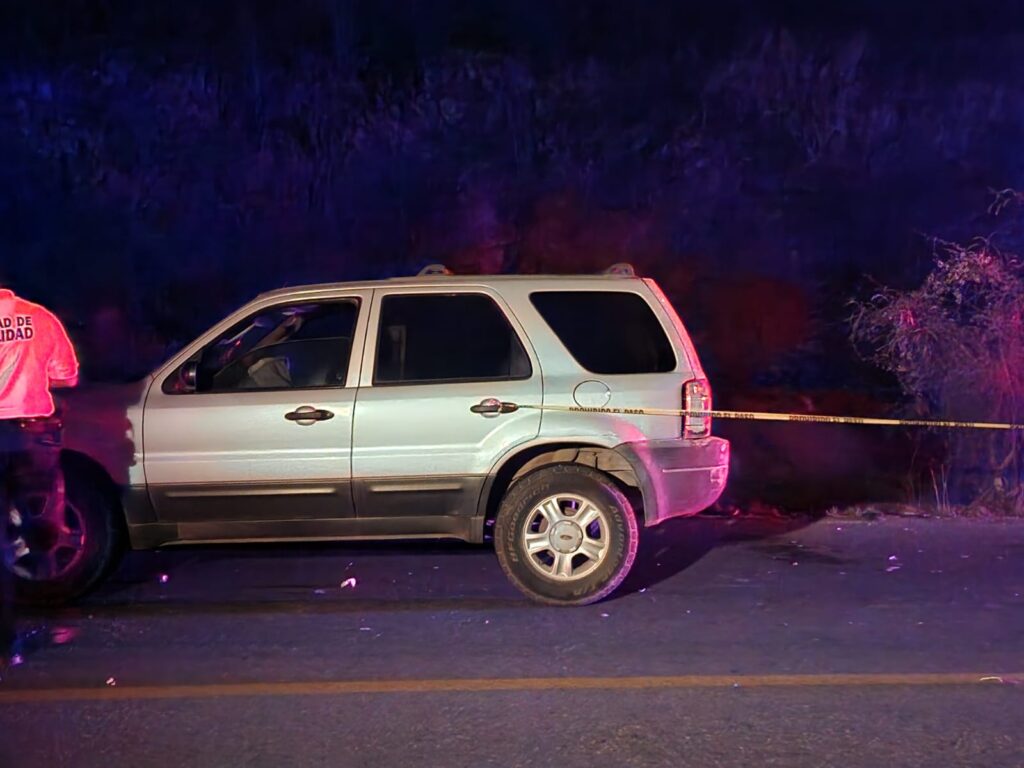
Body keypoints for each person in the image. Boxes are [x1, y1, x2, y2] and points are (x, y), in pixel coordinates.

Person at [0, 280, 79, 665]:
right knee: (37, 520)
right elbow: (68, 376)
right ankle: (44, 590)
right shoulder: (39, 317)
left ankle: (6, 632)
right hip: (32, 435)